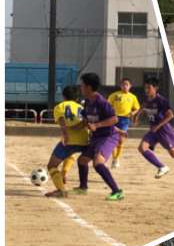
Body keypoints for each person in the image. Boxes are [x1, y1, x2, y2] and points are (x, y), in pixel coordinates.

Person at [74, 73, 124, 201]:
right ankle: (83, 188)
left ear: (89, 87)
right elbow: (85, 121)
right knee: (82, 160)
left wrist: (97, 125)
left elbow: (114, 119)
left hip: (108, 136)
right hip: (97, 137)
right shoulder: (87, 102)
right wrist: (71, 130)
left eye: (82, 85)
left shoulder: (101, 102)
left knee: (98, 163)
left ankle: (117, 191)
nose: (81, 87)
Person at [138, 77, 174, 179]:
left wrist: (157, 126)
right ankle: (162, 167)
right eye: (145, 88)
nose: (146, 90)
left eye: (149, 88)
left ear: (155, 88)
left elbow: (170, 115)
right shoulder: (147, 99)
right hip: (154, 131)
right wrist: (136, 115)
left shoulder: (161, 100)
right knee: (142, 147)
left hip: (164, 130)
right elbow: (144, 106)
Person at [45, 86, 89, 198]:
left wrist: (65, 134)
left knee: (51, 165)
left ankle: (61, 190)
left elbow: (62, 121)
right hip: (85, 140)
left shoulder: (60, 106)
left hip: (70, 140)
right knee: (72, 154)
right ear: (77, 98)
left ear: (63, 96)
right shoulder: (81, 107)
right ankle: (64, 172)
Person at [108, 78, 141, 169]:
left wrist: (133, 113)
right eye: (123, 84)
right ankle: (114, 158)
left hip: (125, 119)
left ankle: (116, 158)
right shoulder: (114, 95)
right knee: (112, 138)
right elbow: (107, 105)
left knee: (121, 140)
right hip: (114, 118)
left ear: (130, 86)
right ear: (120, 85)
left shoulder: (133, 97)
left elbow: (137, 108)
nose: (125, 86)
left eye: (127, 84)